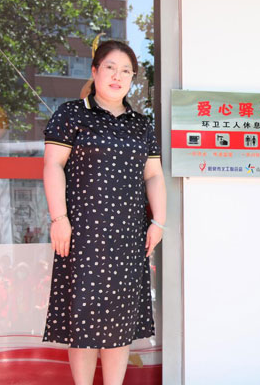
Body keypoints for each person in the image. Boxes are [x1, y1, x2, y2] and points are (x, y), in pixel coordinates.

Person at [42, 40, 166, 385]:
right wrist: (59, 218)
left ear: (132, 80)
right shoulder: (71, 114)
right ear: (95, 71)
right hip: (82, 234)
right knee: (82, 324)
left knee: (119, 325)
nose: (117, 76)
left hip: (127, 237)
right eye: (110, 67)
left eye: (126, 71)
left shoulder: (141, 125)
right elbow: (53, 165)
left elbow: (154, 175)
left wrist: (159, 221)